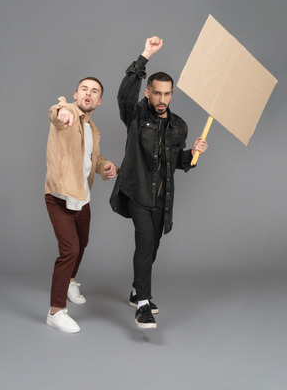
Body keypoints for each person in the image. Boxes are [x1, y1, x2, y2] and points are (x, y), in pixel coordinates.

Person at [110, 37, 208, 329]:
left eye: (167, 94)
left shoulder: (179, 125)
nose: (162, 99)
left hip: (163, 199)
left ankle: (135, 291)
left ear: (172, 94)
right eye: (157, 93)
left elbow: (177, 162)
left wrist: (194, 154)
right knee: (145, 243)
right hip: (137, 190)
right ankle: (143, 305)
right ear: (149, 93)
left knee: (153, 247)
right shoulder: (137, 115)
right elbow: (124, 96)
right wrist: (145, 56)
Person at [45, 77, 117, 333]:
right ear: (76, 94)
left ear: (99, 101)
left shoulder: (92, 128)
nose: (89, 93)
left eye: (95, 91)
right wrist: (62, 111)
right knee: (70, 251)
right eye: (84, 89)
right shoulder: (68, 116)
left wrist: (104, 166)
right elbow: (56, 112)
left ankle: (70, 282)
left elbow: (93, 158)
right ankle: (56, 311)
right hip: (60, 196)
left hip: (82, 197)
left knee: (82, 242)